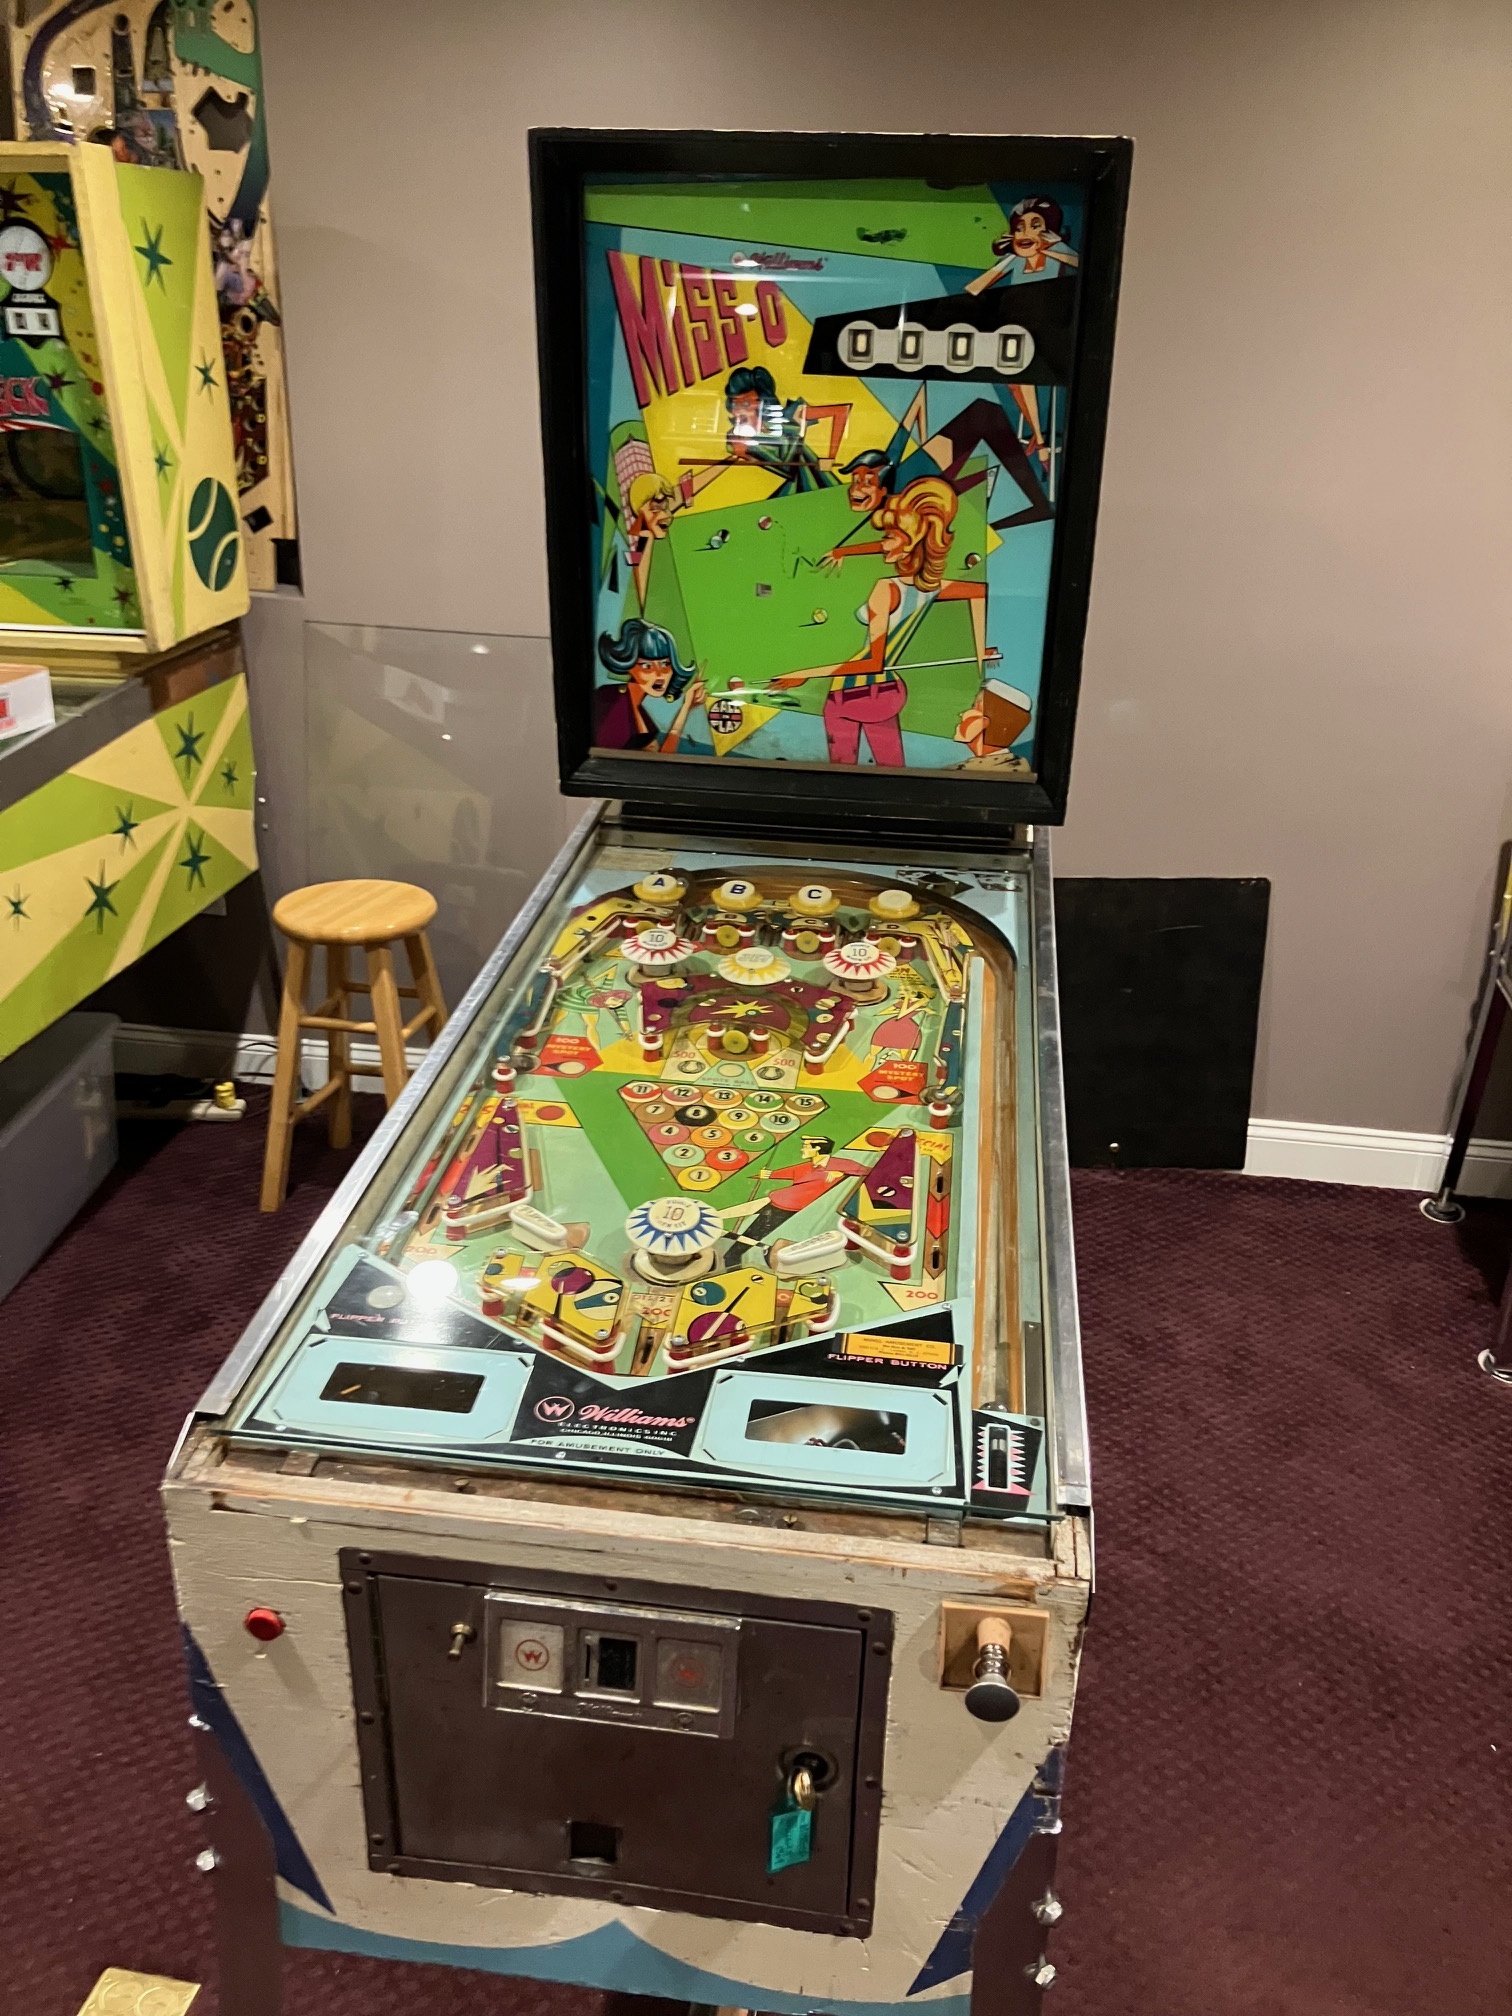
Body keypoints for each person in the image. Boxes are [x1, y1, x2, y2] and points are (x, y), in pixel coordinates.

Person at [775, 476, 986, 768]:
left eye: (888, 536)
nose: (881, 544)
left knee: (840, 774)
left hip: (848, 696)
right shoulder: (932, 587)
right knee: (893, 769)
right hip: (889, 695)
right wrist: (981, 650)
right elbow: (980, 592)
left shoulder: (885, 589)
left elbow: (872, 662)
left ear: (910, 543)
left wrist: (804, 674)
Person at [593, 619, 706, 753]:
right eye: (647, 666)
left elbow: (660, 758)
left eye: (665, 664)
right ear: (629, 666)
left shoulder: (637, 707)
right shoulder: (610, 700)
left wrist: (687, 706)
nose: (659, 674)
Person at [965, 195, 1080, 294]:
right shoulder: (1016, 259)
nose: (1025, 234)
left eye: (1035, 226)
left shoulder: (1057, 249)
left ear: (1049, 231)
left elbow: (1081, 265)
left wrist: (1047, 248)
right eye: (1019, 228)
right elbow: (974, 288)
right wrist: (1011, 251)